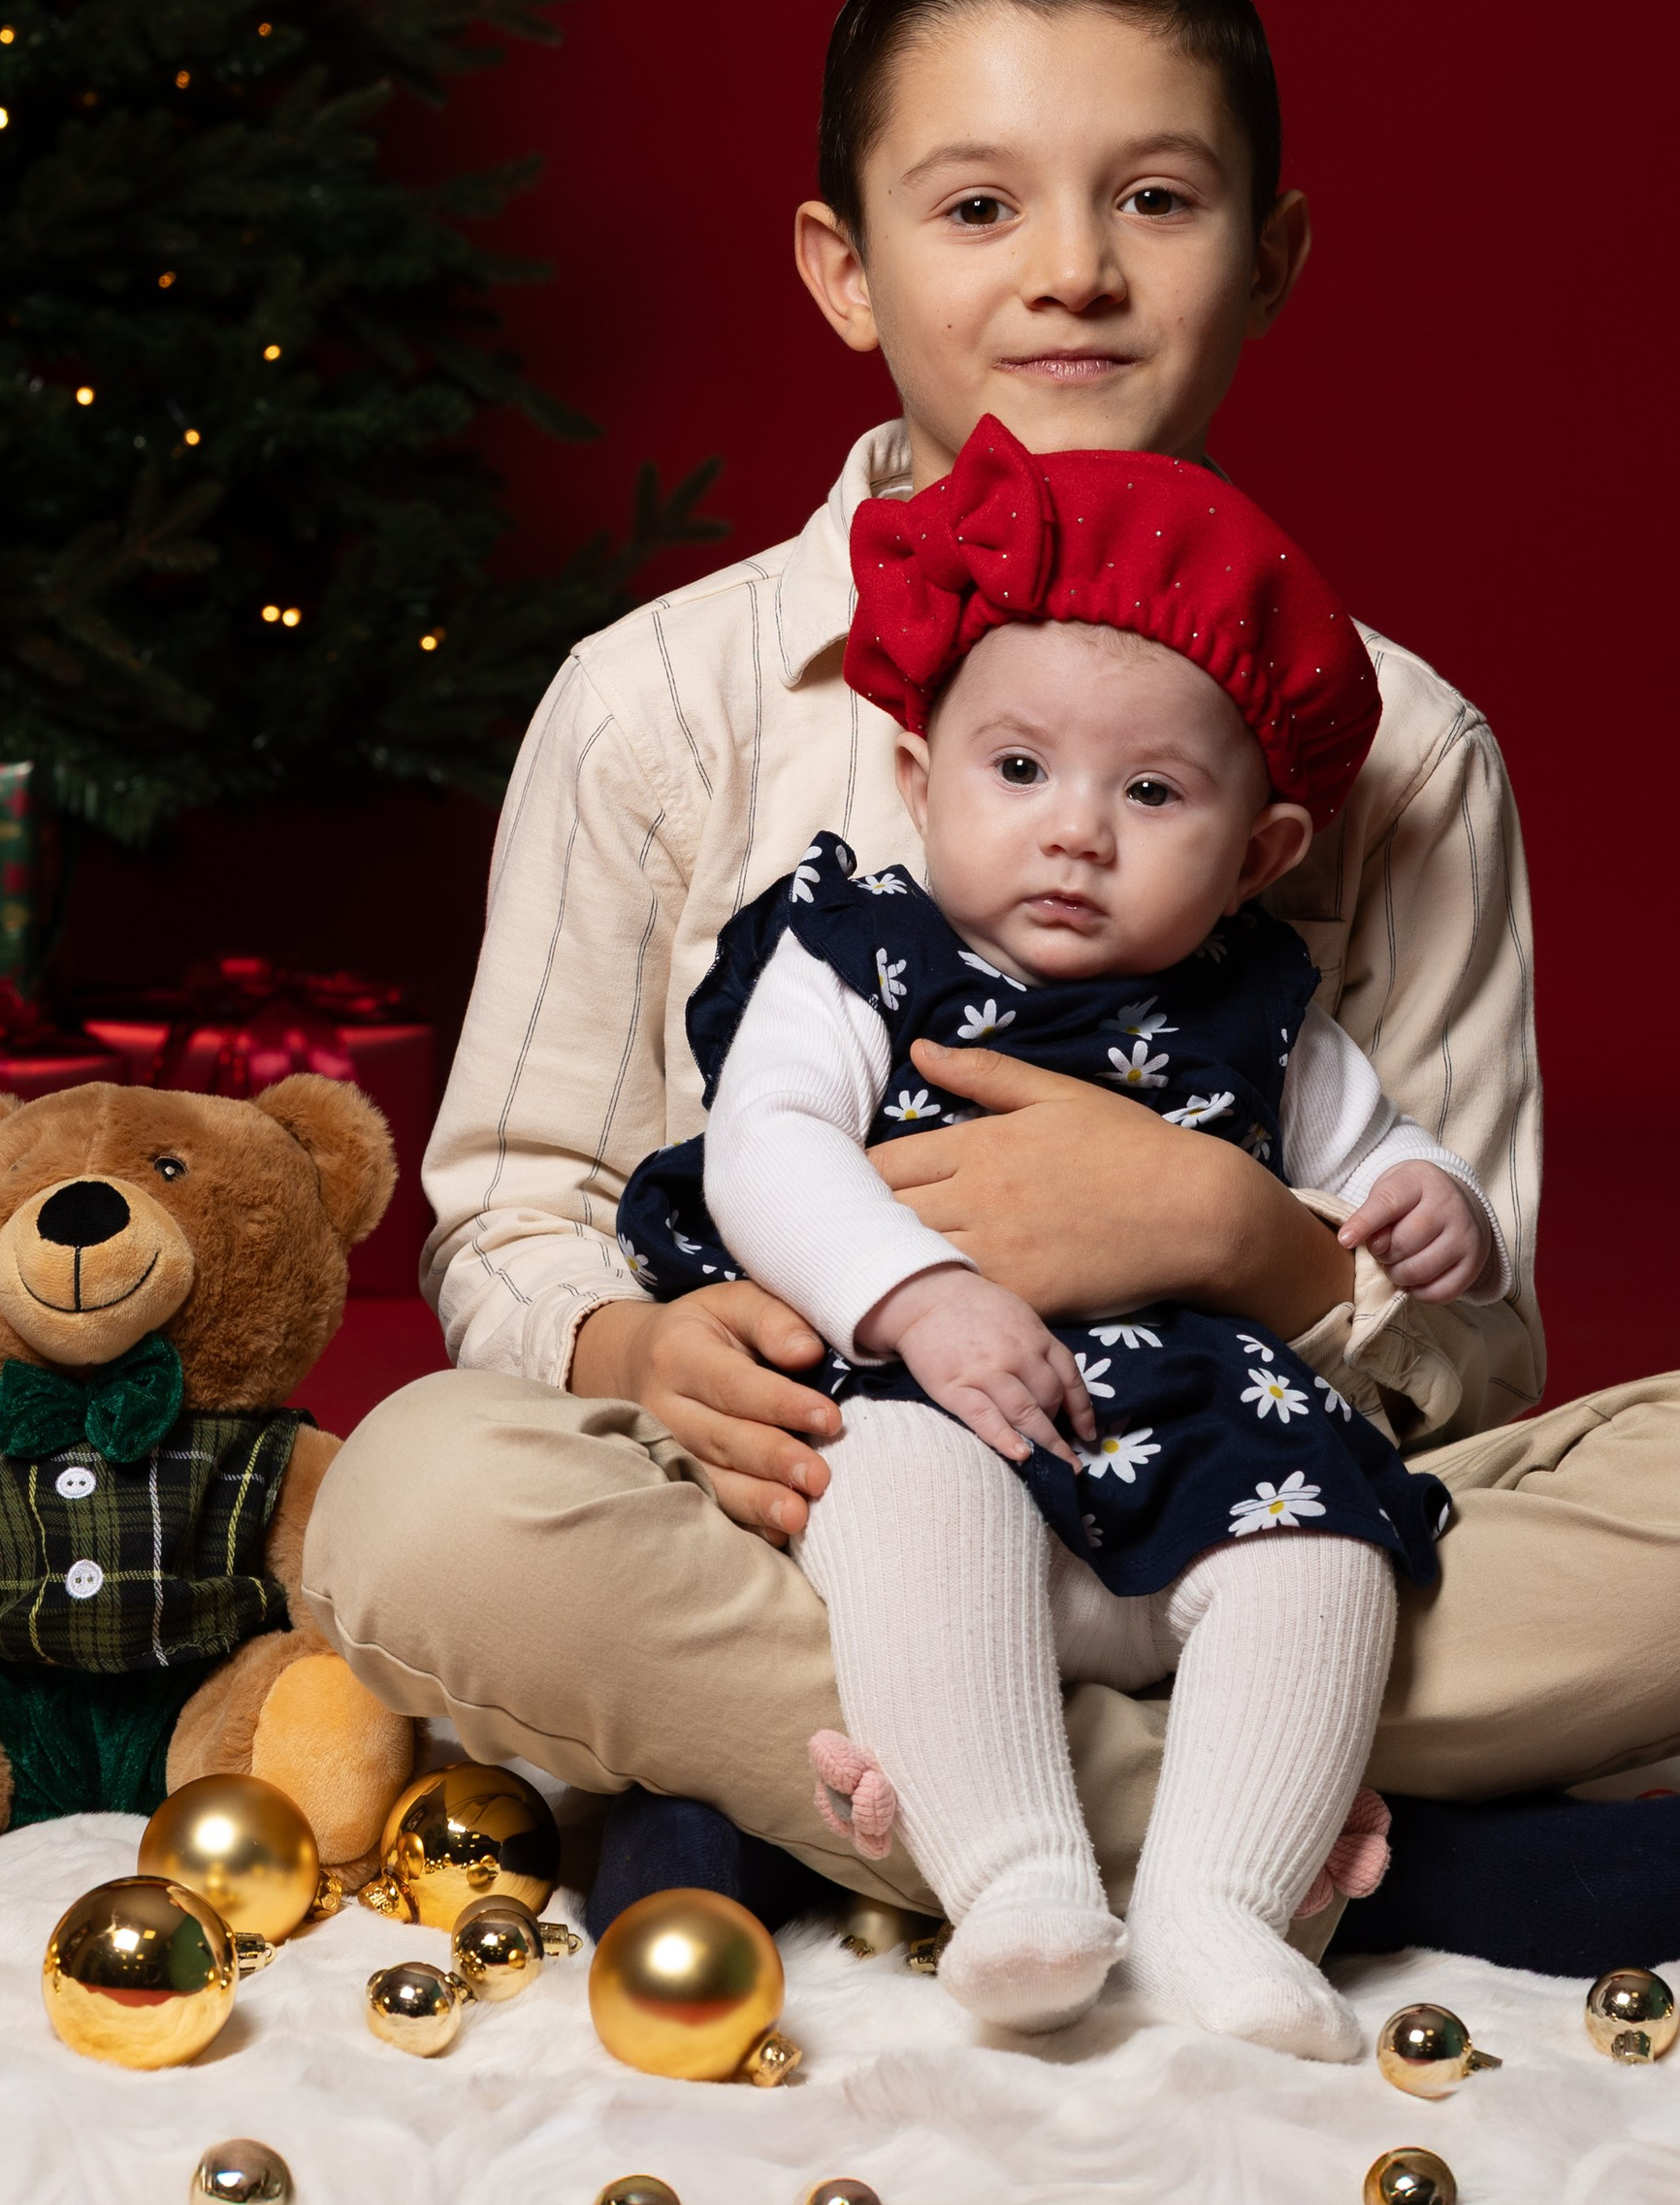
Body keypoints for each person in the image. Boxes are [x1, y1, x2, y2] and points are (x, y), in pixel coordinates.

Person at [302, 0, 1680, 1986]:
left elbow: (1468, 1344)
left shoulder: (1405, 750)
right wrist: (635, 1353)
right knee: (415, 1512)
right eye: (975, 208)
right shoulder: (658, 701)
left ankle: (846, 1808)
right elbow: (510, 1213)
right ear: (841, 269)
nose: (1068, 274)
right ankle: (1378, 1863)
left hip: (1244, 1507)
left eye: (1153, 199)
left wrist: (1232, 1231)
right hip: (814, 1509)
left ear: (1274, 252)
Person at [630, 414, 1499, 2049]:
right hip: (930, 1419)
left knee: (1333, 1553)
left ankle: (1219, 1907)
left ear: (1262, 855)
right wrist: (922, 1294)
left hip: (1196, 1447)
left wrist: (1434, 1208)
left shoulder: (1263, 1015)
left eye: (1151, 791)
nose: (1074, 828)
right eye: (1017, 770)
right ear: (918, 775)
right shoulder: (856, 959)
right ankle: (1021, 1870)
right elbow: (764, 1150)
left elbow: (1380, 1154)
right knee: (889, 1480)